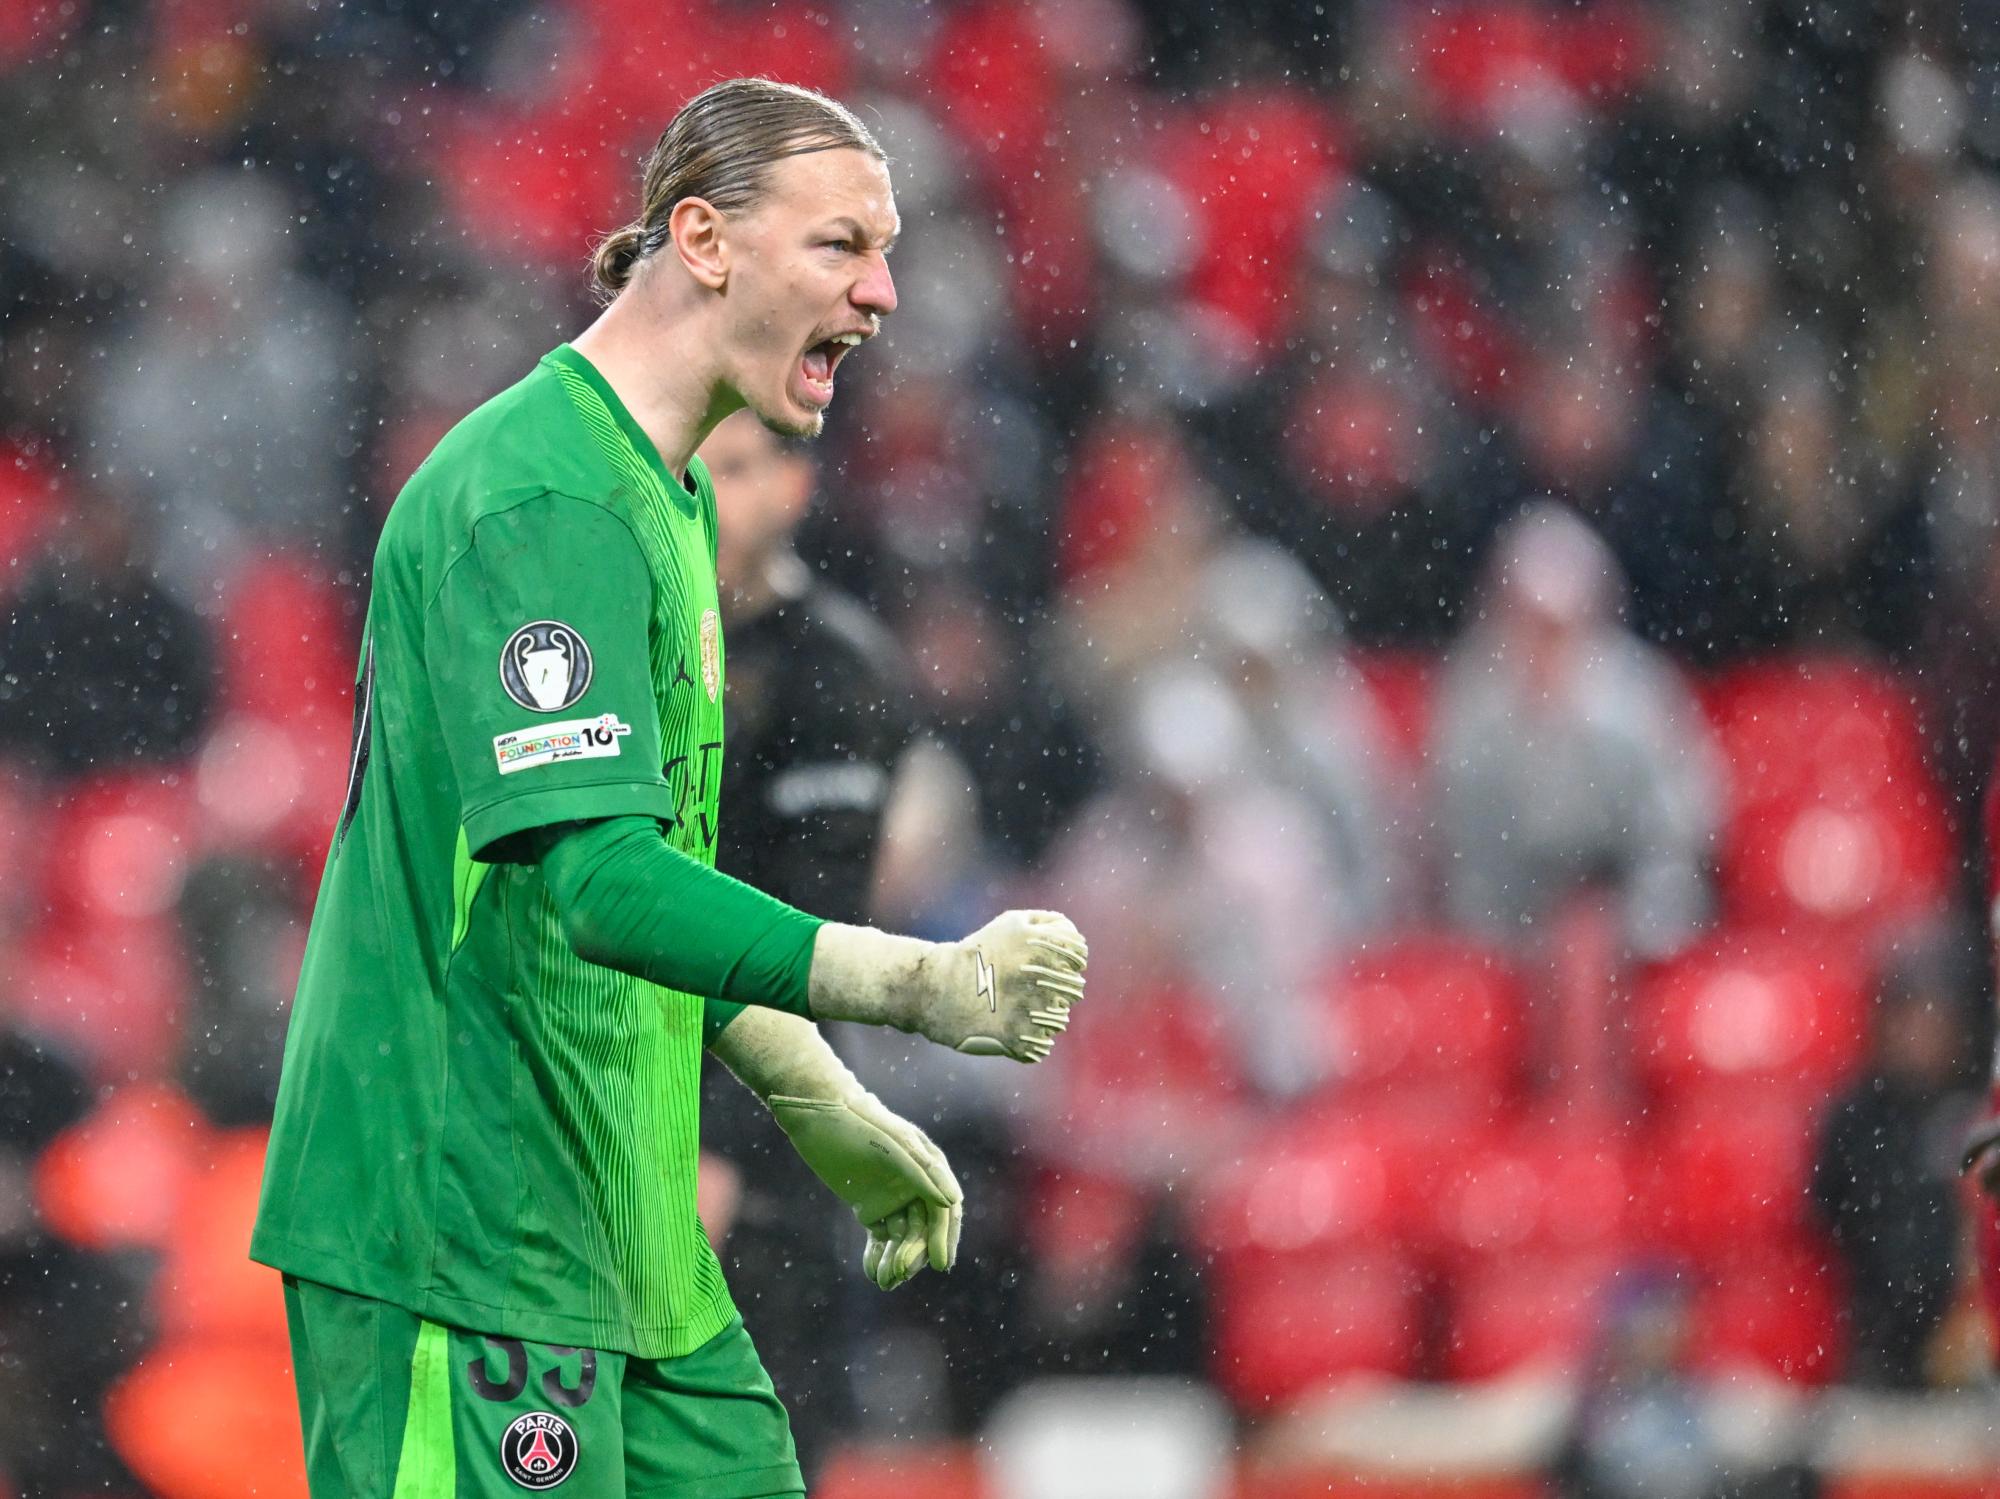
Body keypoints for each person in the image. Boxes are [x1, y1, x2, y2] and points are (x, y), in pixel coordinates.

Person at [250, 78, 1087, 1499]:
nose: (884, 293)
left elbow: (663, 861)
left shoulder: (674, 494)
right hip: (465, 1221)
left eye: (884, 251)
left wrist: (809, 1087)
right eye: (841, 246)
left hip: (624, 1225)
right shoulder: (541, 498)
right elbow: (599, 879)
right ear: (702, 238)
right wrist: (916, 985)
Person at [692, 409, 924, 1478]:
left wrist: (724, 1142)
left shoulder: (835, 671)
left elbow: (805, 939)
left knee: (756, 1440)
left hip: (763, 1136)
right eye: (695, 469)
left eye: (741, 467)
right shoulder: (633, 647)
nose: (712, 494)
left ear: (794, 486)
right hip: (617, 1099)